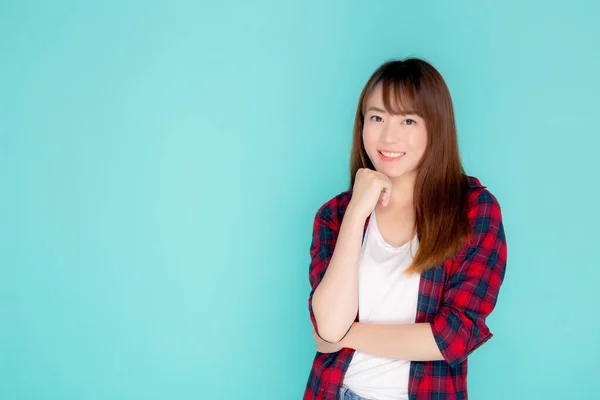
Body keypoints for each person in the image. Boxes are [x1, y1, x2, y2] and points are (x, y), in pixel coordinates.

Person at [304, 58, 508, 400]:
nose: (388, 136)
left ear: (436, 127)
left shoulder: (473, 210)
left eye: (408, 120)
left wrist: (342, 335)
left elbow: (452, 337)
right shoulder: (336, 214)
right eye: (377, 117)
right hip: (335, 392)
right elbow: (328, 321)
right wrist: (357, 212)